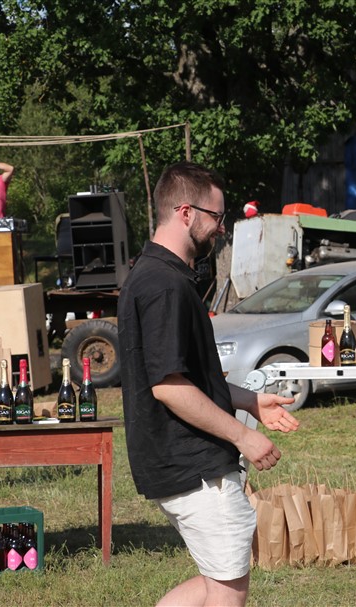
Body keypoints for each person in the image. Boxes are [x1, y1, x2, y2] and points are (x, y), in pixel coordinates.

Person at [118, 162, 299, 607]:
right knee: (227, 591)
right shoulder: (164, 285)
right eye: (216, 216)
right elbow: (169, 388)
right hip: (195, 466)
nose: (221, 227)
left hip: (183, 461)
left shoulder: (159, 275)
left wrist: (250, 401)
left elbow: (189, 376)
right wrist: (243, 437)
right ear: (185, 212)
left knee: (218, 581)